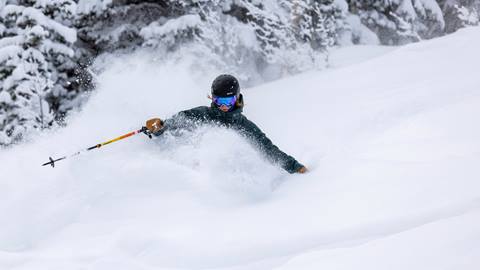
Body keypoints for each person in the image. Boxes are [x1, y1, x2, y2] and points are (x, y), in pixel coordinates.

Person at [145, 74, 307, 174]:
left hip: (225, 176)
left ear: (237, 98)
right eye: (218, 100)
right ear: (212, 98)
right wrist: (160, 127)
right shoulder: (203, 114)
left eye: (228, 101)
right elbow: (178, 121)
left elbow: (268, 149)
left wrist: (294, 166)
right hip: (191, 170)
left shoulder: (244, 126)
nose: (223, 105)